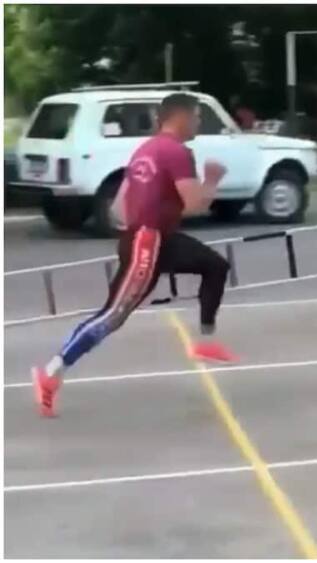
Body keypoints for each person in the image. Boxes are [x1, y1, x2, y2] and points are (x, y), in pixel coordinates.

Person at [32, 93, 237, 418]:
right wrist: (212, 179)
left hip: (153, 237)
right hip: (149, 242)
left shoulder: (145, 150)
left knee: (216, 266)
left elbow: (117, 208)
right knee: (113, 316)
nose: (199, 123)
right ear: (181, 117)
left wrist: (142, 225)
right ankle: (52, 371)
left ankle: (205, 339)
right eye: (197, 117)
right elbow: (196, 204)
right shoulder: (178, 152)